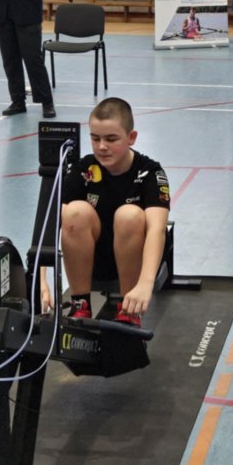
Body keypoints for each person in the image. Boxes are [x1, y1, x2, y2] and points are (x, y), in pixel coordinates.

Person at [41, 97, 171, 326]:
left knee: (129, 215)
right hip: (92, 261)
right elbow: (49, 224)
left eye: (111, 139)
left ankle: (129, 311)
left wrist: (146, 283)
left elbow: (157, 230)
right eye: (95, 138)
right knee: (74, 212)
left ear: (131, 138)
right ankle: (80, 305)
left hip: (137, 264)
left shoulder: (150, 172)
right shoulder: (84, 169)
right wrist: (41, 281)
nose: (102, 146)